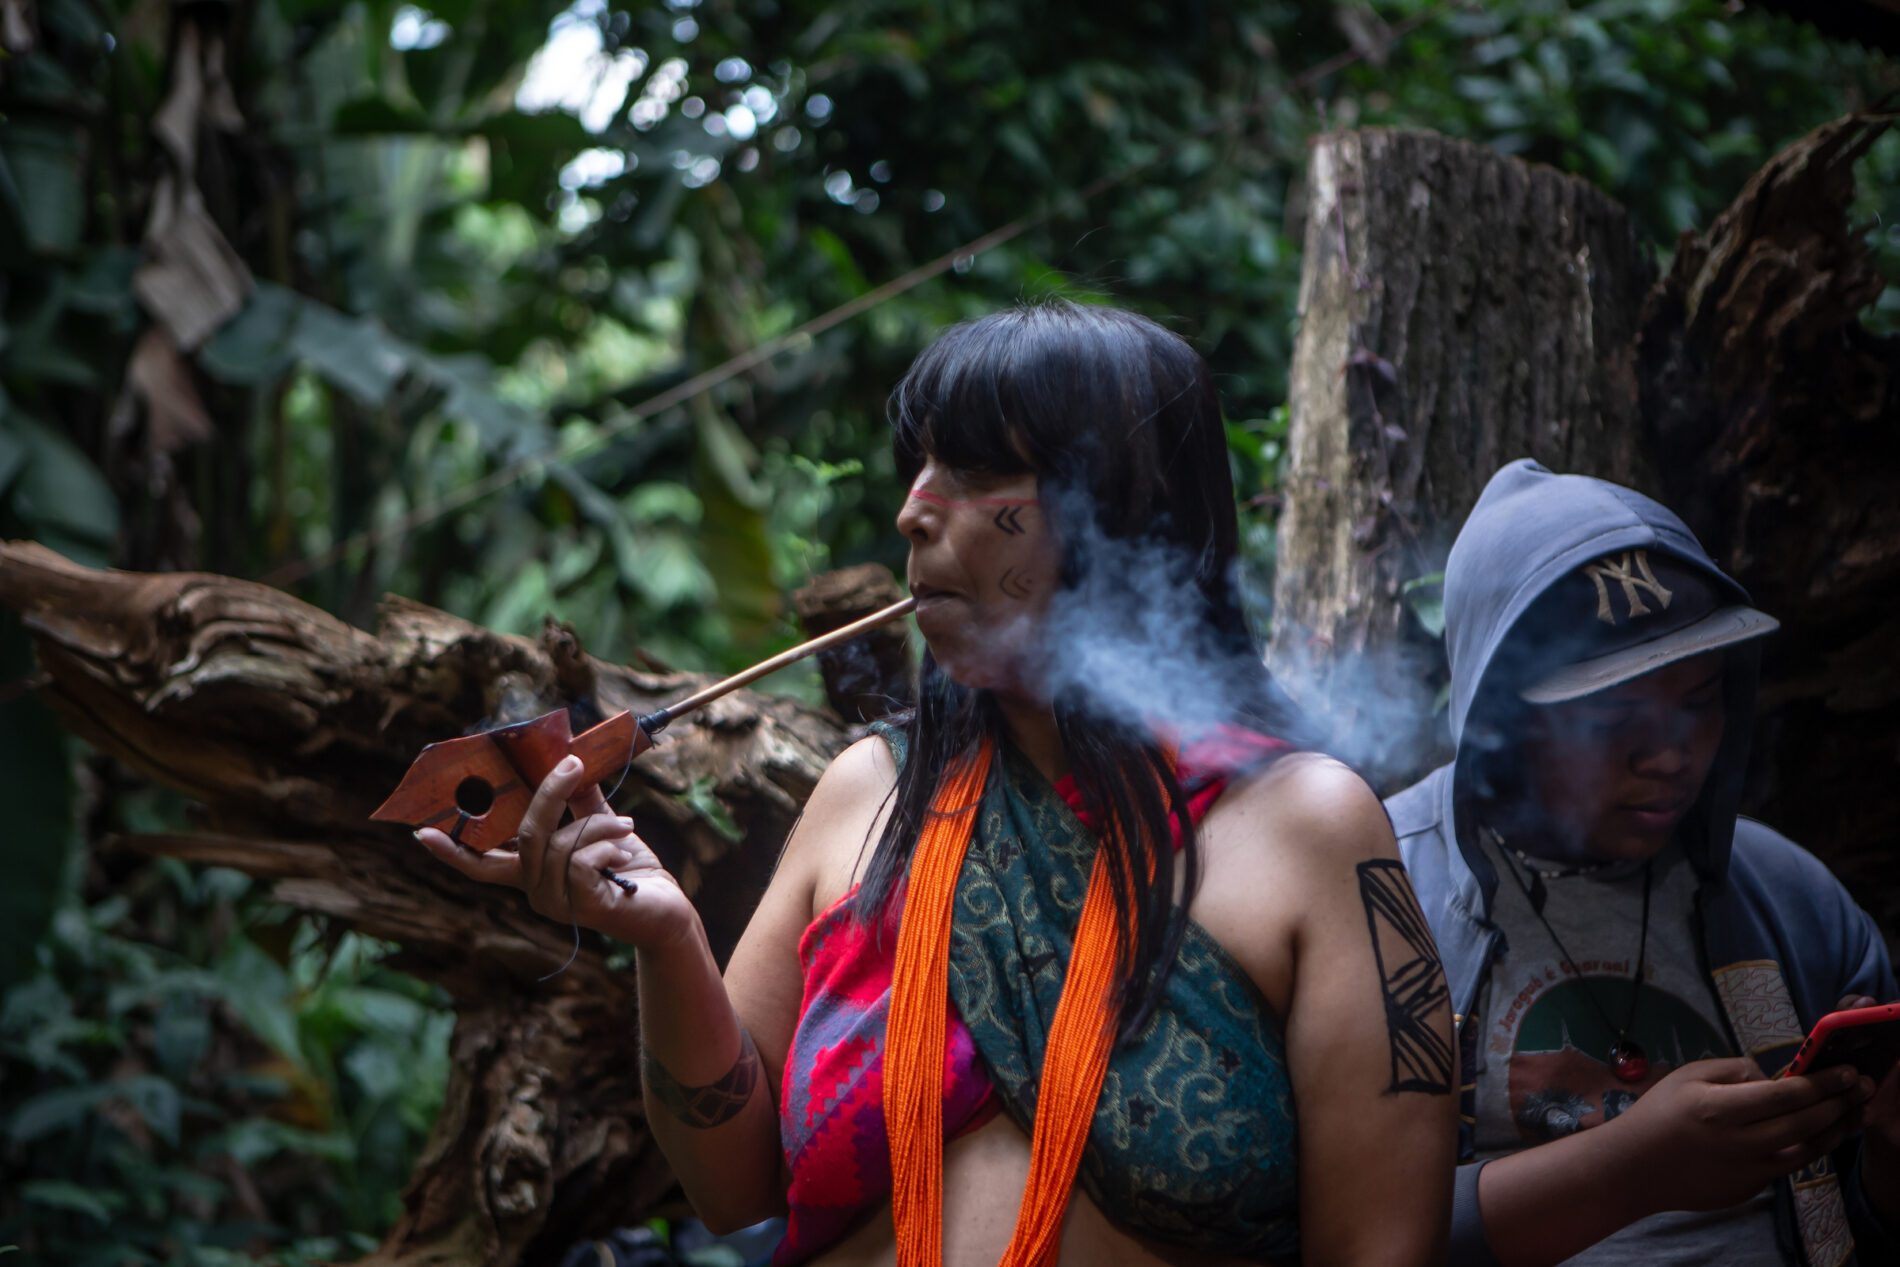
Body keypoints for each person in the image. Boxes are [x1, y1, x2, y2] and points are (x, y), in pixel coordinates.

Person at [418, 300, 1455, 1265]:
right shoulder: (869, 791)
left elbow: (1379, 1247)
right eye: (916, 467)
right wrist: (665, 938)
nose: (914, 510)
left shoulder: (1304, 825)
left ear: (1126, 519)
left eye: (971, 473)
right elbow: (732, 1188)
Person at [1386, 458, 1900, 1266]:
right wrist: (1632, 1167)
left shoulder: (1788, 899)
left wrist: (1890, 1149)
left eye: (1699, 701)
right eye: (1612, 714)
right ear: (1497, 720)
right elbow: (1332, 1229)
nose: (1671, 755)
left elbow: (1864, 1224)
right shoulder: (1382, 899)